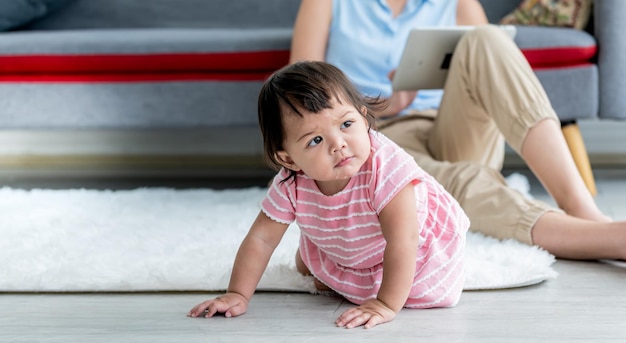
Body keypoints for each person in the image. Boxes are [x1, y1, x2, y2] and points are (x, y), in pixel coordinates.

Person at [288, 0, 626, 261]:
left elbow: (491, 72)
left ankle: (584, 209)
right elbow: (298, 96)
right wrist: (382, 105)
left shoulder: (456, 2)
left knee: (488, 38)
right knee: (449, 184)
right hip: (377, 137)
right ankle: (603, 240)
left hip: (454, 127)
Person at [188, 61, 470, 329]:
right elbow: (261, 239)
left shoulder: (385, 167)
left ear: (363, 116)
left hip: (412, 247)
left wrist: (385, 304)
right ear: (289, 159)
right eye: (315, 140)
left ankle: (365, 277)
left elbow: (404, 239)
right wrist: (237, 293)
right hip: (348, 237)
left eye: (346, 124)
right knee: (306, 265)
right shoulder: (291, 181)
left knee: (412, 281)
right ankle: (343, 264)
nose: (339, 145)